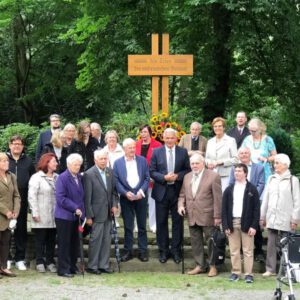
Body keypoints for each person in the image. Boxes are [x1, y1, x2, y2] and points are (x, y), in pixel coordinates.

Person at [150, 128, 190, 264]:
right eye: (167, 138)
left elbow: (188, 170)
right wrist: (164, 177)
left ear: (176, 138)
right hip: (161, 191)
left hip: (178, 192)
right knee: (161, 223)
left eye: (172, 138)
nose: (169, 140)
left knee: (177, 223)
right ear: (163, 138)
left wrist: (178, 176)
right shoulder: (156, 152)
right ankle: (163, 251)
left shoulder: (183, 152)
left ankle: (176, 251)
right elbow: (152, 171)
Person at [178, 153, 222, 277]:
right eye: (192, 163)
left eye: (197, 163)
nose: (194, 165)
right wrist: (181, 205)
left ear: (203, 163)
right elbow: (182, 194)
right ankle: (200, 265)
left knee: (211, 241)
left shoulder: (213, 176)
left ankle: (213, 266)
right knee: (195, 242)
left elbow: (218, 198)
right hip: (192, 214)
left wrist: (218, 216)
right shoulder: (187, 177)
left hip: (208, 215)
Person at [260, 154, 300, 277]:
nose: (275, 165)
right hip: (272, 216)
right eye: (275, 163)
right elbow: (266, 198)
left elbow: (297, 201)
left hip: (286, 218)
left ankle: (286, 270)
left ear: (285, 165)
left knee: (286, 244)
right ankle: (270, 269)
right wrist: (263, 216)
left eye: (277, 163)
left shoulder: (293, 180)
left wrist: (295, 219)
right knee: (271, 244)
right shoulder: (271, 178)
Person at [222, 163, 260, 283]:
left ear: (245, 173)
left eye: (239, 171)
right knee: (234, 250)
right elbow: (224, 209)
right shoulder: (229, 189)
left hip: (247, 223)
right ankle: (235, 272)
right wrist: (226, 225)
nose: (236, 173)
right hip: (232, 222)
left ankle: (249, 274)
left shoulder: (252, 189)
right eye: (235, 171)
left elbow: (256, 209)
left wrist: (254, 225)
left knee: (248, 250)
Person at [113, 138, 150, 262]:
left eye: (134, 147)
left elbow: (146, 178)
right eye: (130, 148)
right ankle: (128, 251)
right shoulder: (117, 163)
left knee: (142, 225)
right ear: (124, 149)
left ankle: (142, 251)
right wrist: (124, 192)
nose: (132, 149)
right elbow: (116, 180)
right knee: (128, 226)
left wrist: (141, 192)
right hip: (126, 198)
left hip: (140, 197)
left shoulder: (142, 160)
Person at [84, 150, 119, 274]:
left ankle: (104, 265)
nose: (104, 161)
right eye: (101, 159)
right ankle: (92, 266)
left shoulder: (110, 172)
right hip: (96, 213)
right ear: (95, 160)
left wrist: (115, 205)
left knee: (106, 240)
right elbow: (87, 197)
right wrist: (88, 216)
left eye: (105, 158)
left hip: (108, 213)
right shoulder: (89, 174)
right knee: (95, 240)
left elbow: (114, 192)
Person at [229, 147, 265, 261]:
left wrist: (251, 196)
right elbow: (231, 183)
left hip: (253, 201)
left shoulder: (259, 167)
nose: (244, 155)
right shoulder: (234, 168)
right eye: (241, 153)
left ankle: (258, 251)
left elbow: (261, 184)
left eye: (246, 153)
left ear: (250, 154)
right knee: (239, 226)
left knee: (256, 226)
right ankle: (240, 252)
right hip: (238, 202)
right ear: (238, 155)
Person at [6, 135, 35, 271]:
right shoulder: (4, 160)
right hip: (5, 201)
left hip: (22, 200)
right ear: (10, 145)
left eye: (19, 144)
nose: (17, 146)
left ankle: (19, 258)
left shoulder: (28, 161)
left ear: (23, 146)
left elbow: (33, 180)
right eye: (14, 143)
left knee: (21, 230)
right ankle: (6, 259)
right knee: (5, 230)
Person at [55, 153, 85, 277]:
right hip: (64, 216)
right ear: (68, 165)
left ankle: (72, 266)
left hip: (76, 217)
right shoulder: (62, 178)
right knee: (64, 243)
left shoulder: (79, 177)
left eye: (79, 164)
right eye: (75, 164)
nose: (77, 167)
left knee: (74, 243)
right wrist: (75, 208)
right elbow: (61, 198)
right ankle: (63, 269)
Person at [28, 153, 58, 273]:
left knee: (51, 239)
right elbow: (32, 196)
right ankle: (40, 261)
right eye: (54, 161)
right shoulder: (36, 177)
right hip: (41, 213)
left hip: (54, 214)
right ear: (46, 163)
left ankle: (50, 261)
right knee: (40, 239)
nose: (56, 163)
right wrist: (35, 212)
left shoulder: (58, 177)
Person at [135, 125, 162, 233]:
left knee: (152, 203)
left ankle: (153, 225)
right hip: (138, 178)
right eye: (141, 132)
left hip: (152, 178)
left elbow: (160, 162)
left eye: (145, 132)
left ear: (150, 133)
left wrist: (154, 175)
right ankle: (138, 225)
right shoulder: (136, 144)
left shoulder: (157, 145)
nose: (143, 134)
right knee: (138, 203)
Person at [0, 152, 20, 277]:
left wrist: (15, 212)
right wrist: (5, 211)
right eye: (3, 161)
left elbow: (16, 195)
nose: (7, 163)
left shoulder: (12, 176)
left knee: (6, 243)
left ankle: (3, 267)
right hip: (2, 214)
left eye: (7, 161)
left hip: (10, 217)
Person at [205, 117, 238, 192]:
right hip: (211, 174)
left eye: (220, 126)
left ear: (224, 127)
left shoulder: (231, 140)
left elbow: (236, 159)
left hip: (225, 175)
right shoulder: (210, 141)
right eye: (215, 126)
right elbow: (206, 158)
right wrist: (208, 163)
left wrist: (222, 162)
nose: (217, 128)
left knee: (223, 197)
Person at [242, 118, 277, 183]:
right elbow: (240, 153)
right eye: (250, 130)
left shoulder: (268, 140)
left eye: (254, 131)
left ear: (260, 129)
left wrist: (266, 159)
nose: (252, 133)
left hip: (264, 171)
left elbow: (275, 156)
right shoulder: (247, 139)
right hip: (249, 170)